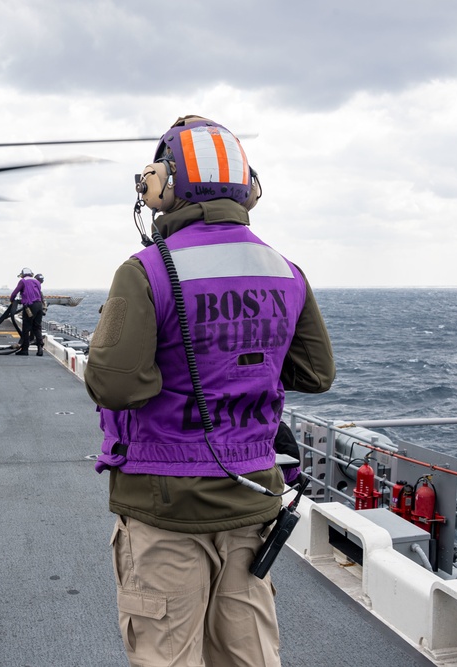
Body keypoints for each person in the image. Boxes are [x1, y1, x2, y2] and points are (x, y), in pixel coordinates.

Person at [84, 115, 336, 666]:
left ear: (162, 187)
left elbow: (113, 383)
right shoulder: (285, 270)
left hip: (165, 507)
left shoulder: (147, 269)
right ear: (248, 188)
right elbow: (316, 373)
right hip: (252, 501)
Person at [9, 268, 44, 356]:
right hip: (39, 305)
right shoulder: (36, 281)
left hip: (30, 306)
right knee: (37, 327)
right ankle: (40, 349)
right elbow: (39, 292)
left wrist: (12, 300)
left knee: (26, 328)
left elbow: (15, 293)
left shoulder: (23, 281)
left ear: (23, 274)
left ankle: (25, 349)